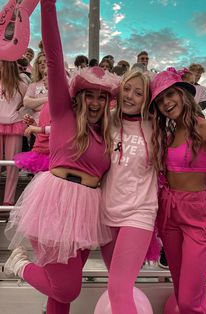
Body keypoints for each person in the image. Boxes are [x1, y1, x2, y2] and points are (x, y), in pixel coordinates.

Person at [4, 2, 120, 314]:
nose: (95, 102)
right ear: (79, 96)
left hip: (87, 210)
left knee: (59, 296)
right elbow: (55, 60)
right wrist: (50, 5)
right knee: (66, 288)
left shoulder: (106, 133)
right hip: (55, 203)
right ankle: (19, 265)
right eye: (89, 95)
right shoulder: (63, 113)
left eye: (102, 96)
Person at [150, 69, 206, 314]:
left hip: (197, 213)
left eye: (170, 95)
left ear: (183, 95)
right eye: (159, 100)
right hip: (168, 210)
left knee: (189, 300)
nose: (166, 103)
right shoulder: (164, 135)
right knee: (181, 292)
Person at [101, 69, 159, 314]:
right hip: (105, 214)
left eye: (138, 93)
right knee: (118, 285)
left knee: (118, 289)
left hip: (140, 213)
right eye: (127, 89)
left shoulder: (157, 126)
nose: (130, 96)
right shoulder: (106, 119)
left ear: (147, 99)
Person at [0, 60, 28, 205]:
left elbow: (27, 104)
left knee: (12, 164)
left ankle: (8, 201)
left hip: (14, 125)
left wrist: (20, 112)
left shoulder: (22, 84)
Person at [14, 68, 51, 174]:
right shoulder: (47, 104)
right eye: (43, 75)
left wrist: (37, 128)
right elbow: (43, 133)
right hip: (41, 152)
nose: (43, 79)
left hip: (51, 154)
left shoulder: (58, 103)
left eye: (46, 75)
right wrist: (33, 124)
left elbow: (59, 130)